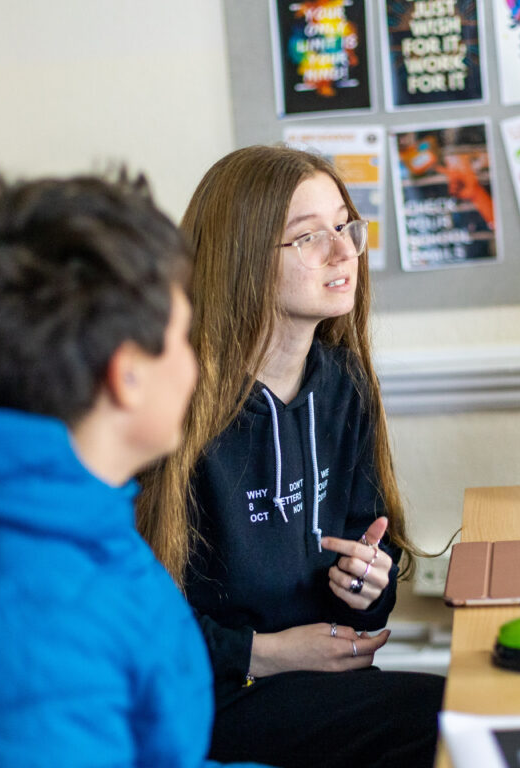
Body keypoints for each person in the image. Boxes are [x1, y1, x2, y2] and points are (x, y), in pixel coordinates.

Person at [0, 172, 267, 767]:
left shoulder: (64, 513)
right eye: (180, 339)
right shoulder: (27, 628)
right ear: (128, 376)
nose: (194, 367)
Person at [138, 145, 445, 768]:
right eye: (308, 238)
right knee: (454, 723)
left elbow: (370, 563)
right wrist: (268, 653)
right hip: (213, 697)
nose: (343, 252)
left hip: (323, 683)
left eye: (344, 226)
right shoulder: (172, 411)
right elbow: (133, 621)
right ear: (241, 261)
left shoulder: (341, 381)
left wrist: (366, 585)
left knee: (487, 708)